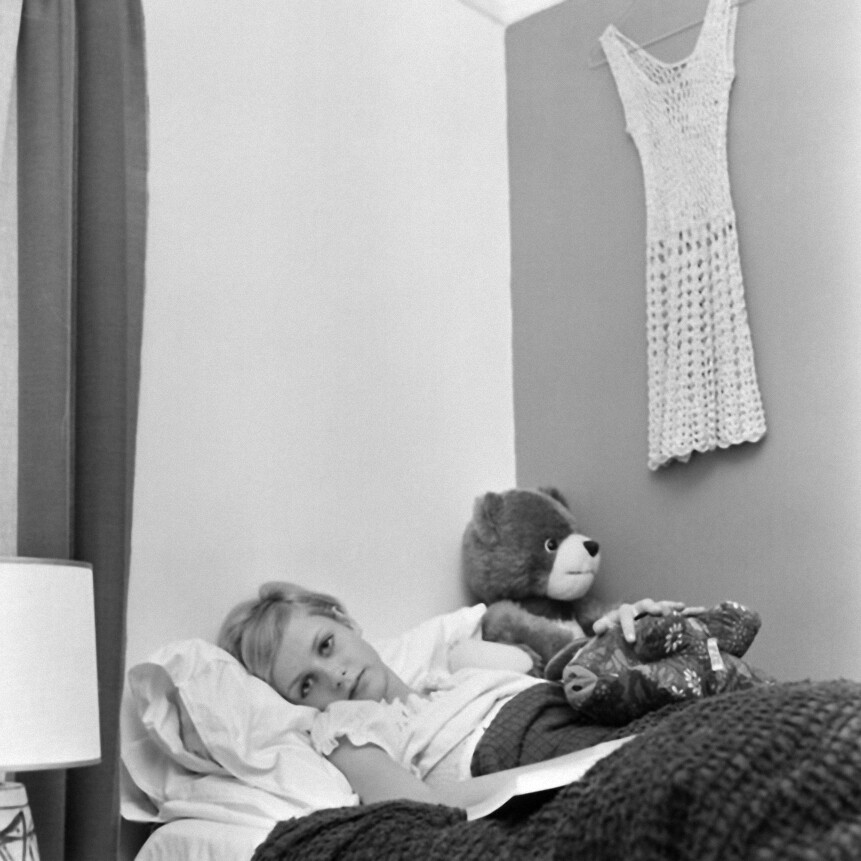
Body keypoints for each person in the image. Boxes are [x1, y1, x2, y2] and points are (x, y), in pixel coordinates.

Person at [217, 581, 685, 810]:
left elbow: (563, 679)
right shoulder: (343, 729)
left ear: (346, 623)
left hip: (584, 719)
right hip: (532, 754)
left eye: (326, 645)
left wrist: (621, 641)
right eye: (305, 685)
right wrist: (594, 761)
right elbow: (420, 805)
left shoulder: (458, 668)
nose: (332, 676)